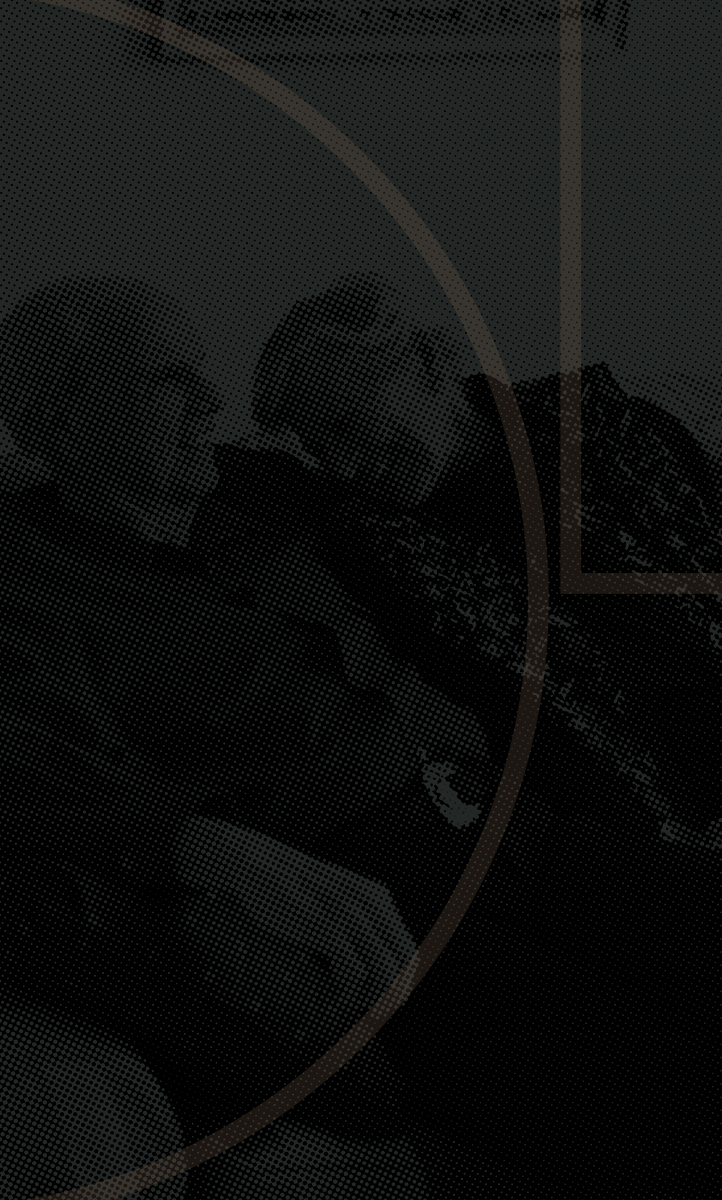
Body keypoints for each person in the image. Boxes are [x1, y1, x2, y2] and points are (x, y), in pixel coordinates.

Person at [0, 275, 498, 1192]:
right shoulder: (9, 578)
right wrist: (201, 845)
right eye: (168, 378)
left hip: (520, 812)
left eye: (201, 368)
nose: (211, 398)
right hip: (403, 897)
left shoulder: (256, 495)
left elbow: (433, 456)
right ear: (62, 424)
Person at [236, 272, 722, 1194]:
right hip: (630, 816)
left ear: (431, 361)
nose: (345, 462)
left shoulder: (604, 425)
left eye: (349, 423)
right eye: (319, 444)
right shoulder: (373, 537)